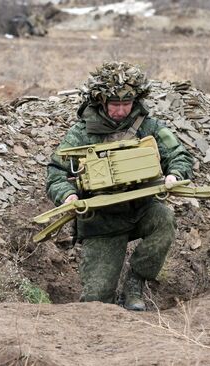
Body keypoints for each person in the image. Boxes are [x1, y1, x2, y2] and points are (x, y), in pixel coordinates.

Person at [46, 61, 194, 310]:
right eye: (116, 105)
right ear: (101, 102)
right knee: (96, 303)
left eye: (127, 104)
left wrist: (175, 175)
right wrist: (68, 195)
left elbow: (179, 155)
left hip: (141, 209)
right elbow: (56, 172)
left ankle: (135, 283)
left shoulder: (148, 127)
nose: (122, 111)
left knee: (165, 219)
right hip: (101, 222)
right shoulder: (81, 134)